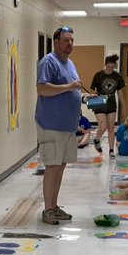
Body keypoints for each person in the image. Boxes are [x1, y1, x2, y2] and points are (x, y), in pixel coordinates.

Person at [35, 25, 83, 224]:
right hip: (51, 124)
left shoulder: (70, 63)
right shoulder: (49, 62)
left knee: (61, 166)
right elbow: (42, 89)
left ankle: (54, 207)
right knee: (52, 167)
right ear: (56, 42)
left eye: (72, 40)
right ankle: (47, 210)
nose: (69, 44)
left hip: (68, 126)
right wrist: (69, 87)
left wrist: (84, 96)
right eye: (65, 40)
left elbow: (71, 90)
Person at [87, 54, 125, 157]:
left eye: (112, 67)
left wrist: (124, 105)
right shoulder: (98, 75)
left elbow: (120, 92)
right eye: (108, 67)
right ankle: (97, 139)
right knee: (103, 127)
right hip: (100, 102)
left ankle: (111, 150)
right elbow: (92, 90)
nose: (110, 69)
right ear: (105, 65)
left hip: (112, 104)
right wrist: (93, 96)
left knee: (111, 127)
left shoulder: (118, 76)